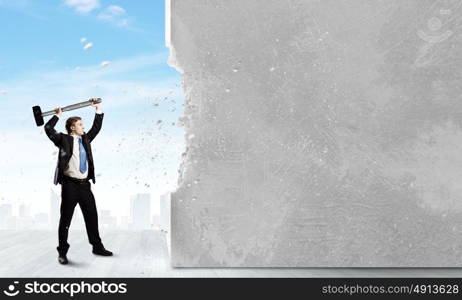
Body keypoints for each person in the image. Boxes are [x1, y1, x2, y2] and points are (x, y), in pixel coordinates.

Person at [44, 99, 113, 265]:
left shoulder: (86, 140)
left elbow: (96, 128)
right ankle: (62, 252)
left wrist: (98, 109)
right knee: (65, 219)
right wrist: (57, 116)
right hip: (70, 186)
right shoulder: (63, 139)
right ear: (72, 127)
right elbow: (48, 129)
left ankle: (97, 246)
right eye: (80, 125)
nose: (83, 127)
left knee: (92, 216)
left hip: (85, 186)